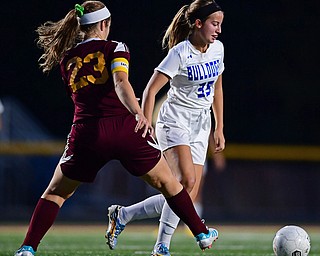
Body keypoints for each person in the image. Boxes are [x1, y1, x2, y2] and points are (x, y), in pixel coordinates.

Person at [13, 1, 218, 256]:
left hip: (86, 133)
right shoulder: (115, 48)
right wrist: (138, 113)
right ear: (103, 24)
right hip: (123, 129)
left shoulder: (67, 58)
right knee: (171, 184)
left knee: (55, 193)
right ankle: (201, 233)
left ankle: (27, 248)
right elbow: (121, 83)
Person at [106, 0, 225, 255]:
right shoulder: (180, 52)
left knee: (186, 194)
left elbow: (217, 87)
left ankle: (123, 215)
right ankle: (162, 246)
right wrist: (145, 123)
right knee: (185, 182)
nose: (219, 30)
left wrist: (219, 127)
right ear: (198, 23)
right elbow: (150, 90)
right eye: (214, 24)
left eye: (220, 24)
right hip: (175, 120)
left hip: (201, 124)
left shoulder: (218, 49)